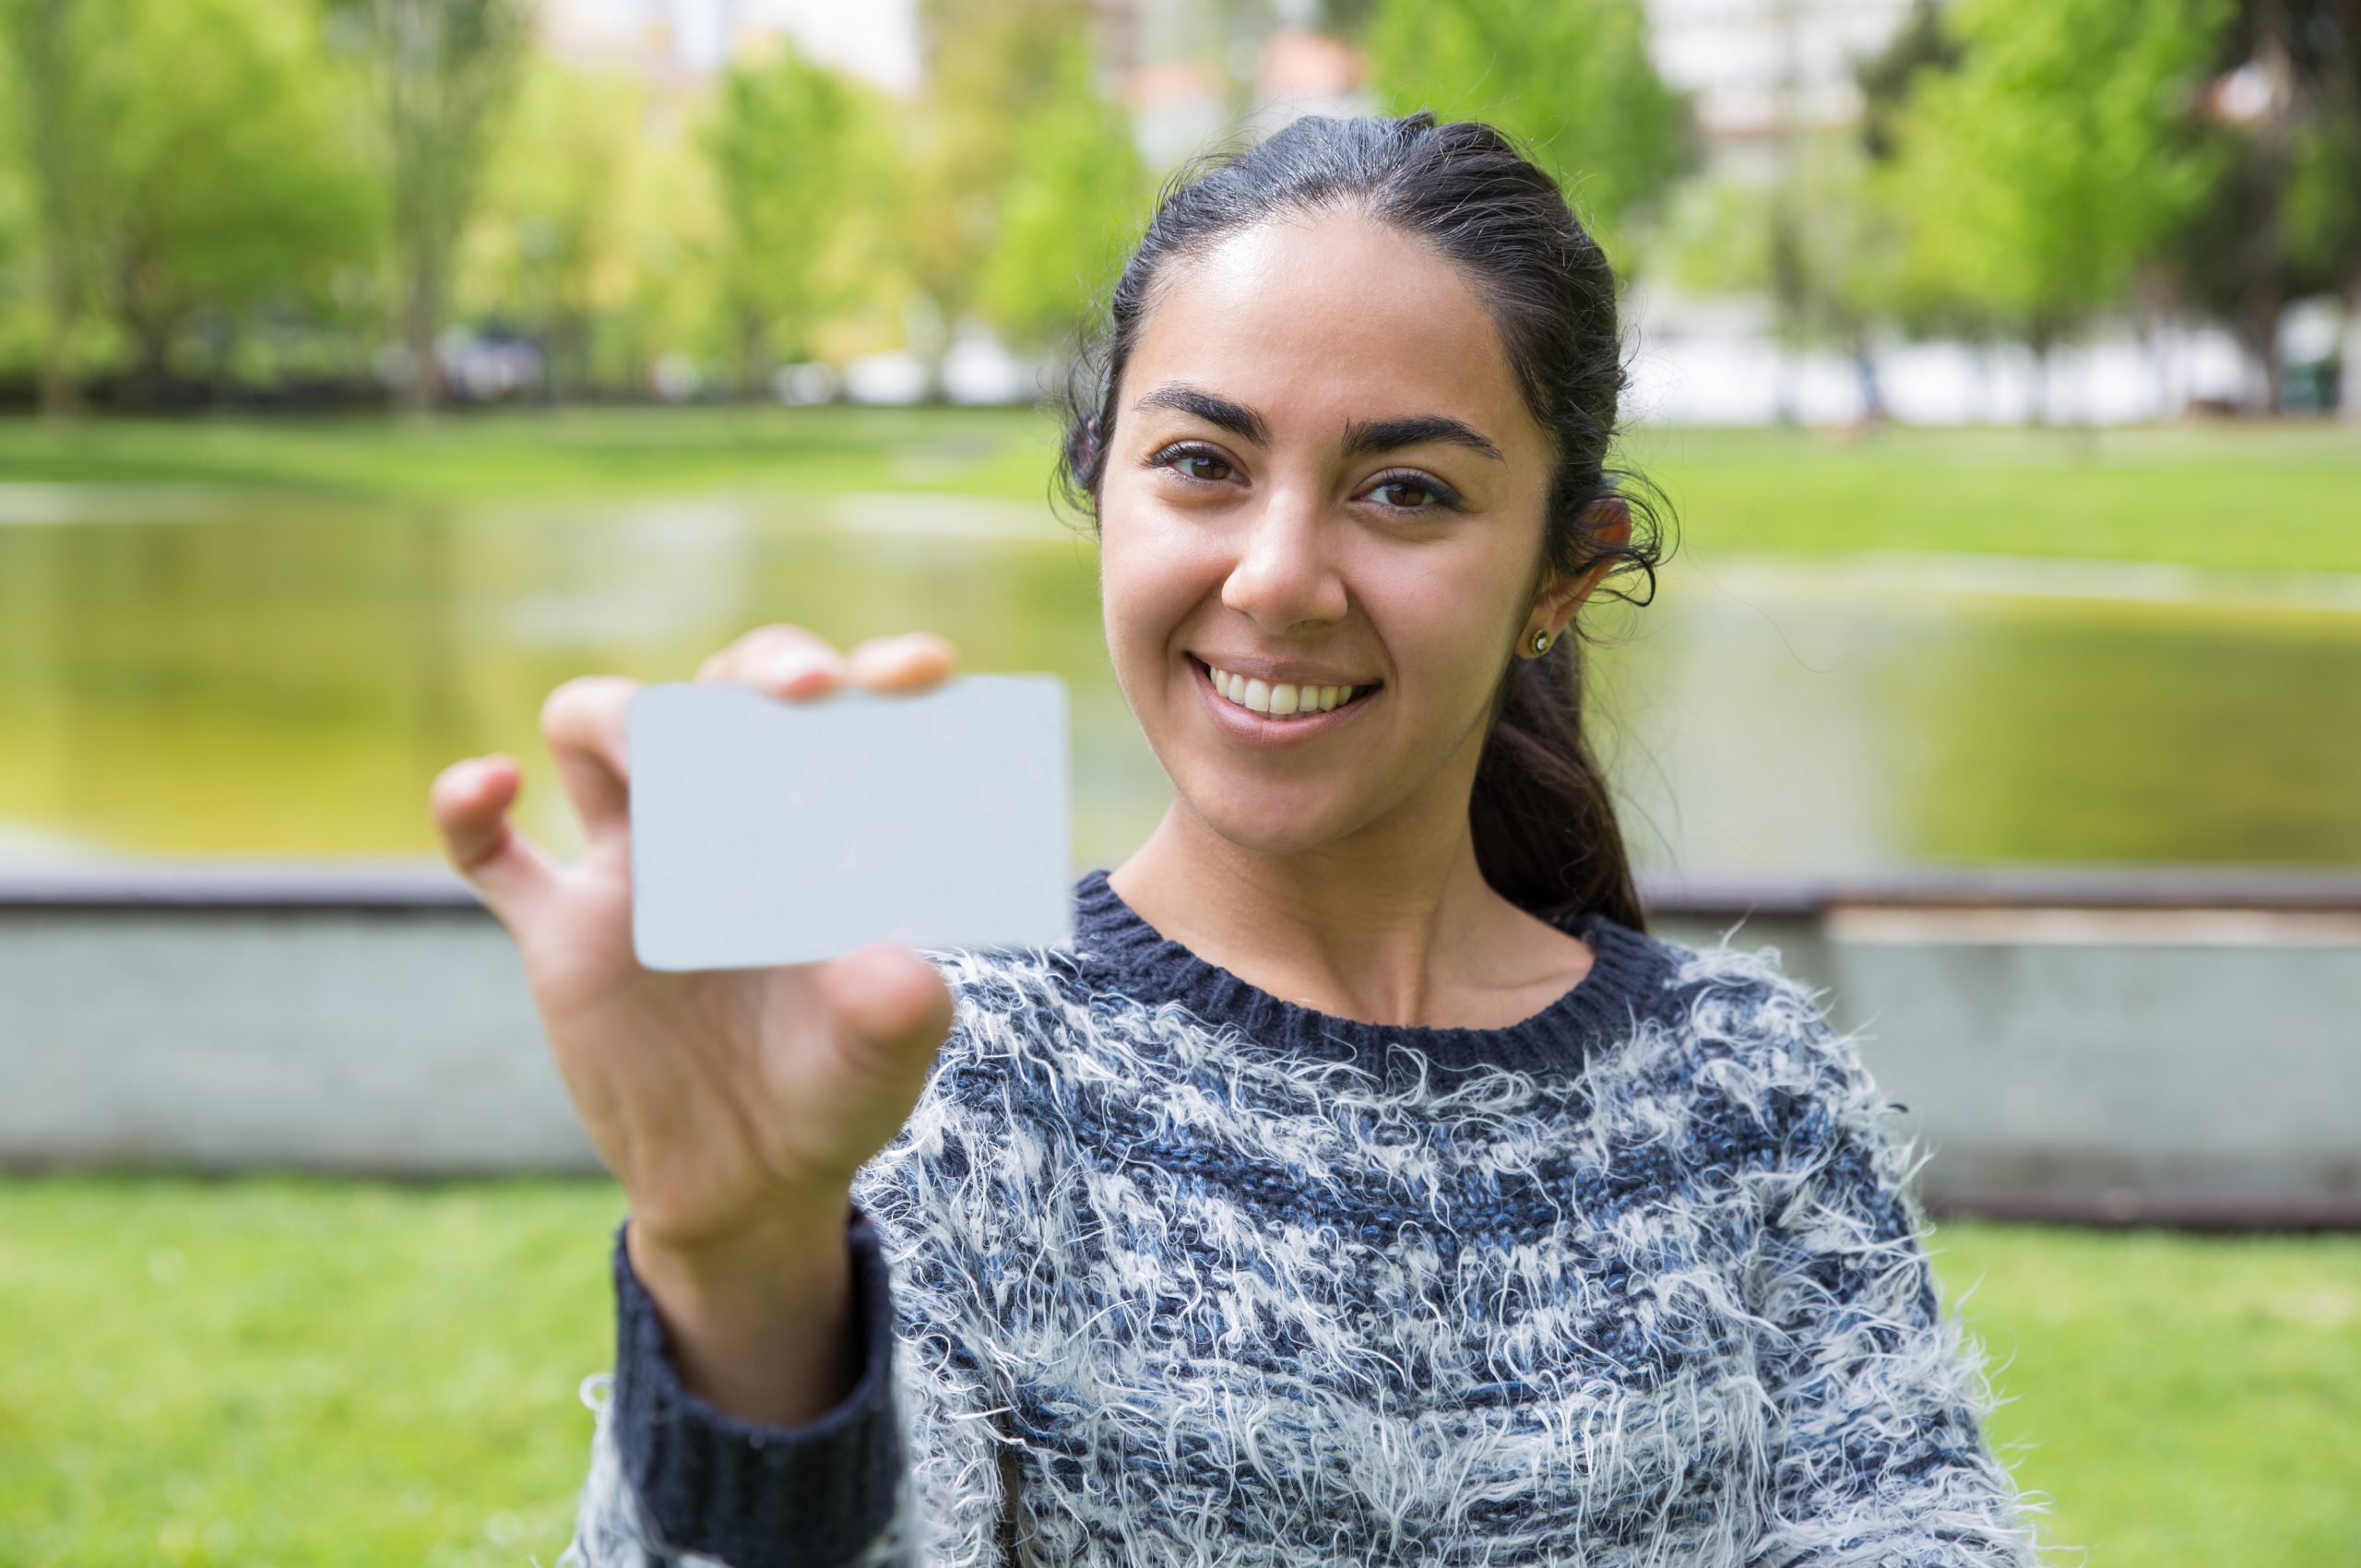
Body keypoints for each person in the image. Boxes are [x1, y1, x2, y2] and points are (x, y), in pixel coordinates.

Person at [429, 113, 2049, 1567]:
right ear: (1101, 488)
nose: (1278, 577)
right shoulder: (941, 1063)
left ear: (1566, 570)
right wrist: (747, 1277)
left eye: (1406, 491)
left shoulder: (1750, 1095)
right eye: (1202, 464)